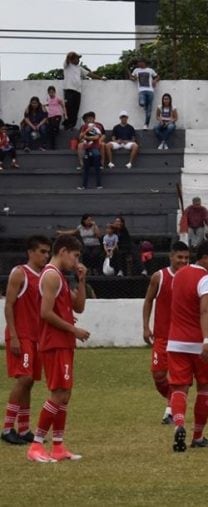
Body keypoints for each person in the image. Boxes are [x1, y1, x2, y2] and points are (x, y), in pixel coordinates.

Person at [26, 234, 90, 462]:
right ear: (63, 251)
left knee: (65, 394)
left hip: (63, 342)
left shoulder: (61, 277)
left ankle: (59, 446)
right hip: (53, 342)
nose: (76, 260)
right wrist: (74, 330)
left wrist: (81, 280)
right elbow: (45, 313)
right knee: (58, 393)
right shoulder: (51, 276)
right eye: (75, 256)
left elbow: (79, 307)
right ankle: (36, 445)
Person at [166, 239, 208, 452]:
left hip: (176, 342)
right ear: (205, 258)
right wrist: (207, 340)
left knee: (179, 388)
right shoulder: (207, 280)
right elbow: (205, 311)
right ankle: (198, 436)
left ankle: (179, 424)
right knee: (204, 389)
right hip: (200, 344)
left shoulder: (178, 275)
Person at [2, 236, 51, 446]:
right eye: (41, 251)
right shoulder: (20, 273)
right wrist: (13, 335)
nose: (45, 256)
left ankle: (23, 429)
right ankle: (7, 428)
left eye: (48, 252)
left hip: (35, 336)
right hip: (21, 334)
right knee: (24, 379)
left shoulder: (44, 277)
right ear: (30, 252)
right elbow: (9, 305)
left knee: (29, 382)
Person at [142, 241, 190, 425]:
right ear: (171, 257)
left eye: (186, 258)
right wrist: (146, 326)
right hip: (162, 337)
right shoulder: (159, 277)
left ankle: (171, 410)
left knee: (180, 378)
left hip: (183, 337)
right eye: (179, 257)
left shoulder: (191, 277)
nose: (183, 261)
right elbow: (148, 301)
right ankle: (173, 399)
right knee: (159, 375)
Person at [61, 51, 105, 130]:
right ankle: (66, 125)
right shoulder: (67, 65)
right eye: (77, 58)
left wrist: (100, 78)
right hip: (69, 90)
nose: (78, 60)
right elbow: (67, 58)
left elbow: (89, 74)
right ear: (72, 59)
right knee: (68, 108)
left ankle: (72, 126)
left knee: (75, 109)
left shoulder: (79, 68)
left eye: (78, 59)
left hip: (78, 91)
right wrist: (71, 54)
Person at [77, 116, 105, 190]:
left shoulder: (97, 128)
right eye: (88, 119)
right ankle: (84, 186)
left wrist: (86, 137)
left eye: (91, 118)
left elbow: (96, 137)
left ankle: (99, 185)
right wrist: (87, 131)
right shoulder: (85, 127)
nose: (90, 120)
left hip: (94, 149)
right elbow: (80, 137)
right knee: (86, 168)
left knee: (97, 167)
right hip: (87, 149)